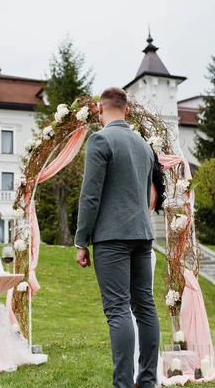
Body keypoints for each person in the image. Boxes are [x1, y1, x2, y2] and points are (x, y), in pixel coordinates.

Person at [74, 87, 160, 388]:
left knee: (118, 309)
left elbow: (90, 198)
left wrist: (81, 240)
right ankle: (147, 382)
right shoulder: (144, 145)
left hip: (111, 238)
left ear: (100, 110)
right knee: (145, 306)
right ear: (127, 110)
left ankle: (123, 384)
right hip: (143, 235)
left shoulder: (100, 139)